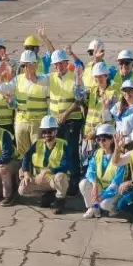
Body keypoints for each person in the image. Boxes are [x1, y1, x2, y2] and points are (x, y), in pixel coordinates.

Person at [48, 49, 84, 192]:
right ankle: (60, 180)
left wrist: (66, 114)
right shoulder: (50, 78)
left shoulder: (74, 77)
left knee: (71, 151)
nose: (59, 66)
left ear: (66, 63)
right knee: (59, 152)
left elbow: (79, 100)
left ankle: (74, 182)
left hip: (72, 121)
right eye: (56, 64)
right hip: (57, 122)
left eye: (62, 63)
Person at [18, 115, 70, 214]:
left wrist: (46, 171)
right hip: (40, 180)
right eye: (44, 131)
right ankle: (46, 195)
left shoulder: (63, 144)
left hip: (54, 180)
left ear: (56, 131)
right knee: (22, 189)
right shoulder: (38, 144)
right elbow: (26, 157)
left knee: (61, 177)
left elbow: (66, 165)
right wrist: (26, 174)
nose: (47, 134)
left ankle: (60, 201)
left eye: (50, 131)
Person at [79, 123, 126, 218]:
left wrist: (102, 196)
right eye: (98, 139)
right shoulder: (97, 153)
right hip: (100, 187)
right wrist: (94, 184)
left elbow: (116, 183)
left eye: (104, 139)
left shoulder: (120, 156)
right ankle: (94, 207)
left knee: (105, 204)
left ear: (112, 139)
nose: (101, 142)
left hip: (115, 191)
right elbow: (90, 170)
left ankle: (114, 209)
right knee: (83, 183)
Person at [14, 50, 50, 157]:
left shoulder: (44, 80)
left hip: (37, 122)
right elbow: (4, 89)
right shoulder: (18, 79)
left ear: (35, 65)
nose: (26, 68)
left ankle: (36, 172)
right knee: (23, 153)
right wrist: (2, 79)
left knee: (38, 152)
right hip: (21, 121)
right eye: (24, 66)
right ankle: (24, 172)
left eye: (28, 65)